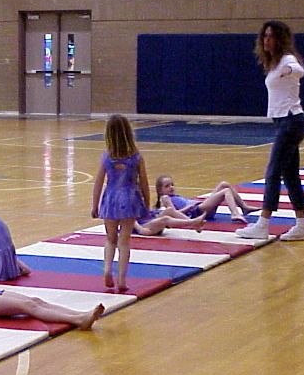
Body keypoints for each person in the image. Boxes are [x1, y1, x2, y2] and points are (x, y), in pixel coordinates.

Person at [236, 21, 304, 241]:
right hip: (285, 123)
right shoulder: (274, 63)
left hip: (291, 122)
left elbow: (299, 70)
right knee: (290, 175)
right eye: (264, 36)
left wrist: (291, 70)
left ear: (280, 39)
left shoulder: (287, 60)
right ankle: (302, 225)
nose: (266, 40)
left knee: (272, 172)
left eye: (271, 36)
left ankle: (263, 224)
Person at [91, 114, 150, 292]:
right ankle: (122, 279)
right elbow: (144, 182)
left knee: (110, 239)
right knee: (124, 241)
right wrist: (147, 203)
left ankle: (107, 269)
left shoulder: (106, 158)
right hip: (130, 198)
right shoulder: (136, 157)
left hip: (111, 198)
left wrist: (95, 205)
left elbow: (98, 182)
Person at [156, 175, 258, 223]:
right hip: (196, 211)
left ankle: (244, 207)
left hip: (199, 207)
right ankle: (235, 213)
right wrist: (188, 207)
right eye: (167, 186)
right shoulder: (165, 198)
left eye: (172, 185)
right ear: (160, 190)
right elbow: (174, 213)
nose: (171, 187)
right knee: (226, 191)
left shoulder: (174, 196)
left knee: (224, 184)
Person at [134, 207, 206, 236]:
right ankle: (193, 222)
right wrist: (140, 229)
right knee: (165, 219)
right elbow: (131, 220)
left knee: (169, 210)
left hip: (148, 221)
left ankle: (195, 225)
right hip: (143, 226)